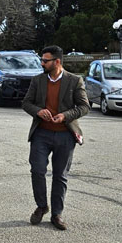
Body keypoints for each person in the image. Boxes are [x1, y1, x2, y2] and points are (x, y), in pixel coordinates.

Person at [21, 45, 89, 230]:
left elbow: (84, 106)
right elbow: (26, 103)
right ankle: (42, 206)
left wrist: (65, 116)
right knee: (37, 170)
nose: (42, 63)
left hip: (65, 135)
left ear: (57, 62)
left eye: (45, 60)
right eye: (42, 60)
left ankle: (56, 214)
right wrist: (38, 111)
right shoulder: (37, 80)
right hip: (41, 133)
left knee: (60, 175)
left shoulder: (74, 81)